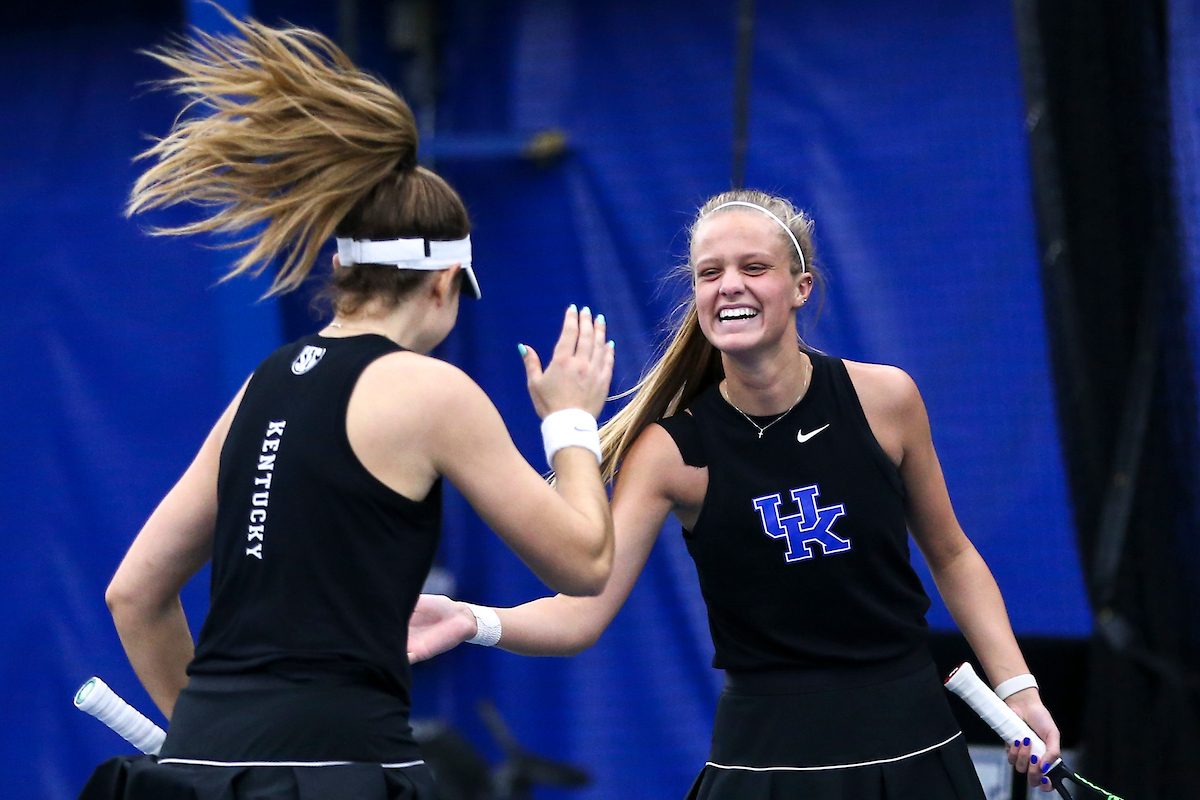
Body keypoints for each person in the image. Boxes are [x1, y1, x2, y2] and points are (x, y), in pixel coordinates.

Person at [78, 12, 615, 800]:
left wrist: (206, 751)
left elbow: (135, 595)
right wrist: (570, 420)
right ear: (442, 285)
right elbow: (585, 563)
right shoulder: (432, 390)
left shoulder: (261, 384)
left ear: (341, 268)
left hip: (201, 773)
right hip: (346, 770)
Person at [408, 190, 1063, 799]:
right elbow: (582, 612)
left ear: (801, 287)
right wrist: (472, 620)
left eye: (754, 266)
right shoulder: (670, 452)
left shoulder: (886, 399)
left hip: (916, 748)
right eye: (709, 272)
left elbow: (951, 555)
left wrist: (1019, 690)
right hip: (763, 763)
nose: (729, 286)